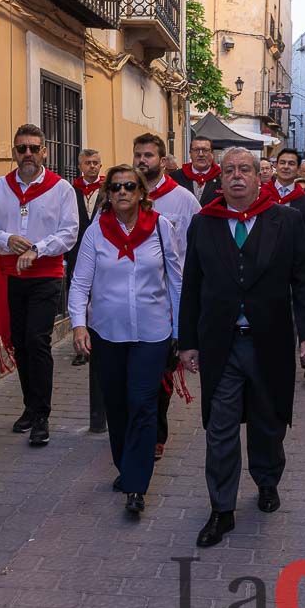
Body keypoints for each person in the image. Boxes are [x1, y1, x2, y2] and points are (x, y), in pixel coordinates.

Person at [179, 148, 305, 547]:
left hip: (269, 342)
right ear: (219, 179)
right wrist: (187, 341)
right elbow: (191, 285)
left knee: (267, 422)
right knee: (219, 428)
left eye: (245, 170)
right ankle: (221, 509)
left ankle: (266, 479)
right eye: (229, 171)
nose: (237, 176)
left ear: (261, 177)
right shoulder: (203, 224)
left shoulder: (286, 222)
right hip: (221, 344)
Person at [69, 165, 182, 516]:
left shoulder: (161, 229)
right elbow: (80, 282)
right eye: (115, 187)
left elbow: (177, 281)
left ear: (141, 192)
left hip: (152, 334)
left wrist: (181, 331)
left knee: (143, 404)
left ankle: (137, 485)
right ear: (108, 193)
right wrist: (78, 324)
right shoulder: (95, 234)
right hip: (109, 333)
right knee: (116, 406)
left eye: (129, 186)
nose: (122, 192)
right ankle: (125, 466)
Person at [0, 124, 79, 447]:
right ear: (14, 152)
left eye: (34, 148)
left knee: (37, 340)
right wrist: (8, 239)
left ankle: (43, 415)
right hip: (9, 276)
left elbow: (70, 232)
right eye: (22, 149)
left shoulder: (60, 190)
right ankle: (29, 407)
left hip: (45, 275)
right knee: (18, 341)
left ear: (44, 151)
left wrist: (38, 248)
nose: (28, 154)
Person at [134, 133, 201, 460]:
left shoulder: (183, 200)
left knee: (160, 372)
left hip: (168, 300)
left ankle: (156, 433)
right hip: (131, 302)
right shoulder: (124, 195)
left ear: (162, 161)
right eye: (138, 155)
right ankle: (136, 427)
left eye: (148, 155)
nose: (142, 161)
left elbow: (196, 248)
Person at [265, 148, 305, 383]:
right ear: (275, 166)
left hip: (296, 269)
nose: (286, 167)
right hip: (269, 270)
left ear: (298, 168)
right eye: (282, 162)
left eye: (291, 163)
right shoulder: (263, 196)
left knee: (301, 312)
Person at [68, 148, 103, 395]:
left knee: (96, 296)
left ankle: (97, 340)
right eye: (88, 163)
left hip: (99, 250)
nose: (92, 167)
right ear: (80, 165)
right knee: (78, 294)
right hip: (75, 249)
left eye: (96, 163)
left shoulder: (107, 190)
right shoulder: (72, 190)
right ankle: (81, 348)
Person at [172, 135, 223, 206]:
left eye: (205, 150)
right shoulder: (175, 177)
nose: (201, 154)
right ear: (190, 153)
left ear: (212, 154)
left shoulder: (222, 178)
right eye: (196, 150)